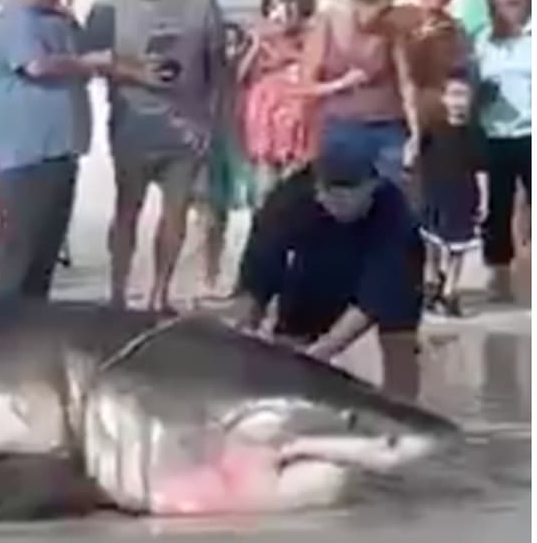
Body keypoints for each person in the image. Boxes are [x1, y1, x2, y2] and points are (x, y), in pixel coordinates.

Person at [83, 0, 228, 311]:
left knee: (175, 213)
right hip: (133, 125)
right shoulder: (110, 2)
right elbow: (90, 61)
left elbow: (218, 67)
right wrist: (136, 72)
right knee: (127, 209)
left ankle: (159, 294)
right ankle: (117, 293)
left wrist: (213, 122)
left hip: (186, 127)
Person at [232, 139, 424, 401]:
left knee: (399, 336)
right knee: (285, 342)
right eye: (328, 193)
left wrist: (322, 352)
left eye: (346, 195)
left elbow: (381, 292)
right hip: (317, 263)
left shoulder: (395, 213)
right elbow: (257, 271)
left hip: (384, 265)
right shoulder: (288, 200)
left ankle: (405, 416)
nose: (334, 201)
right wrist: (243, 333)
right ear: (317, 188)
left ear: (372, 186)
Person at [0, 0, 113, 299]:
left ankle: (31, 320)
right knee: (21, 249)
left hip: (62, 148)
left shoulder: (57, 20)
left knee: (45, 250)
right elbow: (36, 66)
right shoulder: (15, 19)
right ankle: (3, 325)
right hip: (27, 153)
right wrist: (85, 62)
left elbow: (88, 57)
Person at [296, 0, 420, 186]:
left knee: (393, 197)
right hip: (343, 125)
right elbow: (305, 86)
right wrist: (341, 83)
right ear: (358, 2)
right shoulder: (330, 22)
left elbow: (406, 82)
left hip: (387, 124)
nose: (381, 17)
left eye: (387, 10)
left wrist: (415, 132)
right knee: (343, 198)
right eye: (378, 10)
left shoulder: (390, 29)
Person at [474, 0, 531, 302]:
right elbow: (469, 86)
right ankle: (499, 276)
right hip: (495, 133)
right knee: (498, 207)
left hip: (532, 131)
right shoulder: (484, 39)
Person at [239, 0, 319, 206]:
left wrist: (289, 52)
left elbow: (316, 65)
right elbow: (241, 75)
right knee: (265, 188)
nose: (279, 12)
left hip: (299, 112)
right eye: (273, 5)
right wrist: (256, 45)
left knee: (296, 188)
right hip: (267, 116)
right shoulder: (258, 36)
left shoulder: (313, 34)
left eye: (285, 4)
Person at [418, 71, 486, 317]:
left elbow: (481, 169)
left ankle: (450, 291)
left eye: (463, 95)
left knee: (459, 247)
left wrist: (484, 199)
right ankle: (432, 284)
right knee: (432, 243)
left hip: (464, 196)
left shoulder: (475, 133)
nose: (458, 101)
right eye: (453, 95)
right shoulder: (432, 129)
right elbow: (418, 160)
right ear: (444, 98)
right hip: (436, 194)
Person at [387, 0, 472, 143]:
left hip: (436, 124)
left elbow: (459, 77)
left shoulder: (454, 31)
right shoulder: (396, 19)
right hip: (395, 122)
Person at [198, 22, 254, 298]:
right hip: (211, 145)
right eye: (226, 44)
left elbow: (239, 72)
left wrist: (252, 48)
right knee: (211, 216)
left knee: (246, 212)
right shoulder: (206, 75)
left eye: (235, 44)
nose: (230, 50)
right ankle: (209, 273)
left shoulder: (245, 73)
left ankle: (238, 276)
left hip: (239, 145)